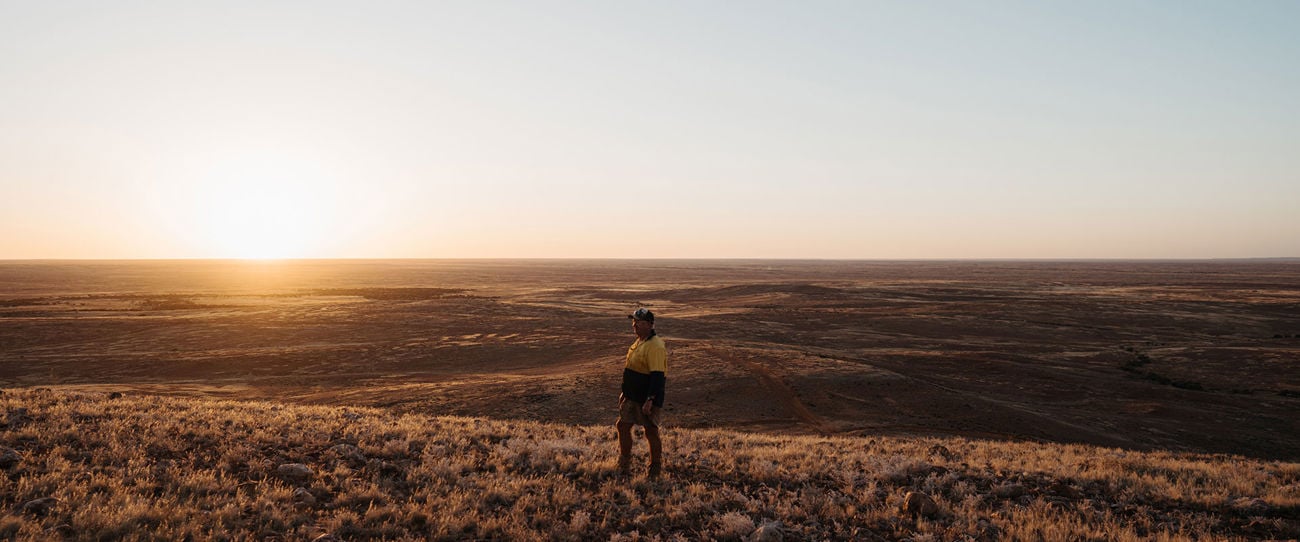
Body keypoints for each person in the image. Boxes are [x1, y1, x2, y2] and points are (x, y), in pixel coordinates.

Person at [617, 307, 667, 478]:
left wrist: (650, 399)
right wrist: (625, 392)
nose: (635, 325)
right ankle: (624, 463)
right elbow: (630, 370)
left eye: (639, 323)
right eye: (634, 322)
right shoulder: (639, 342)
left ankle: (655, 469)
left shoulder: (655, 346)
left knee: (651, 431)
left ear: (650, 325)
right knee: (622, 425)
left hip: (646, 398)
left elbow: (658, 376)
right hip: (632, 396)